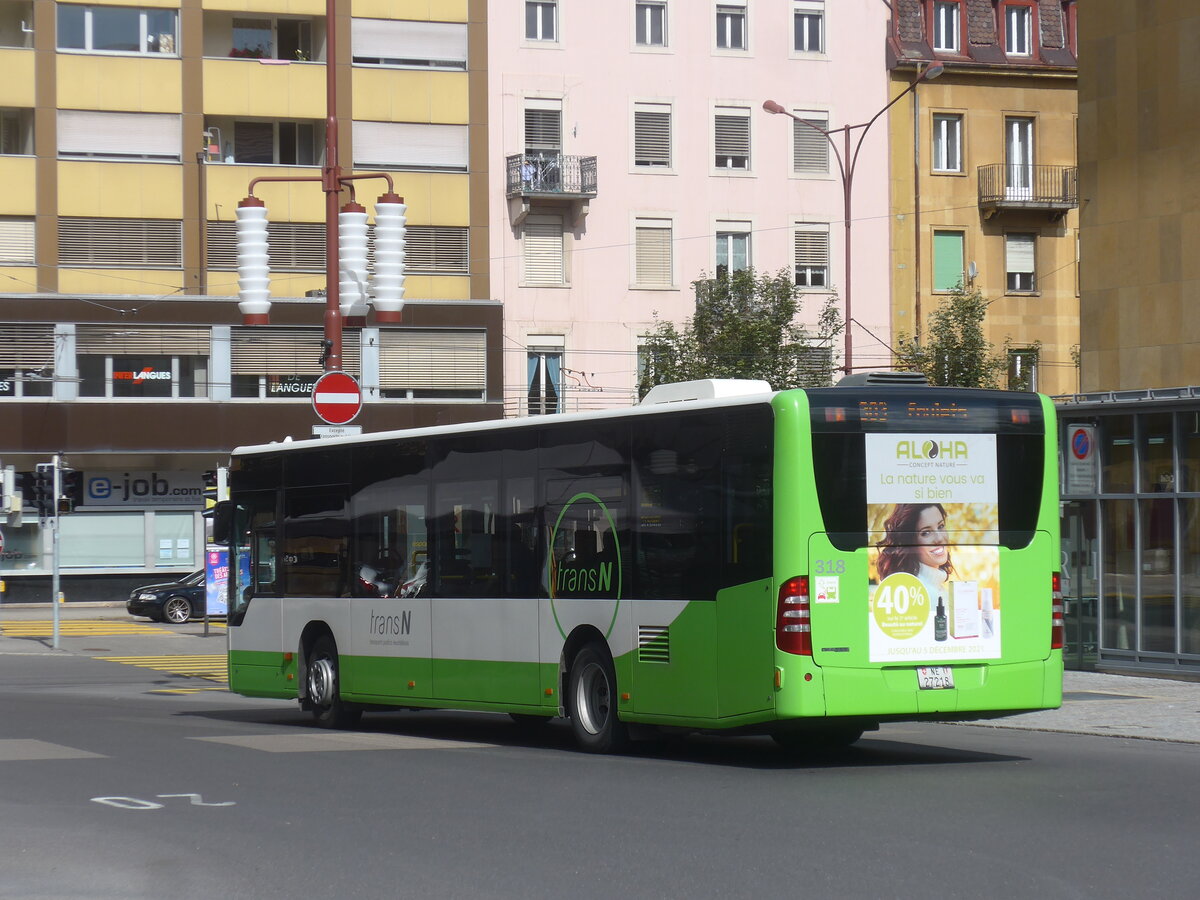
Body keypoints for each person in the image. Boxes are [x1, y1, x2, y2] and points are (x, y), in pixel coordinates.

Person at [875, 503, 954, 601]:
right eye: (926, 533)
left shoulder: (937, 588)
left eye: (941, 526)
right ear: (910, 541)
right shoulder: (919, 593)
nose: (939, 538)